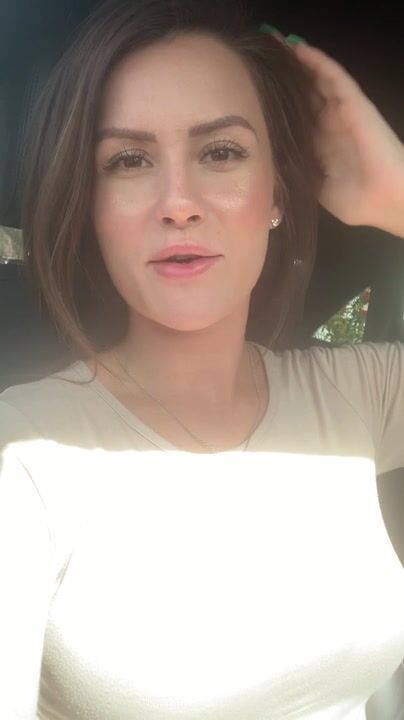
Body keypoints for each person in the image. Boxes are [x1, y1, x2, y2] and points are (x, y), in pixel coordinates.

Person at [1, 0, 404, 717]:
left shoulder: (360, 392)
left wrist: (397, 193)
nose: (178, 203)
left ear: (278, 194)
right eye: (129, 161)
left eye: (221, 152)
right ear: (90, 207)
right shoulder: (24, 453)